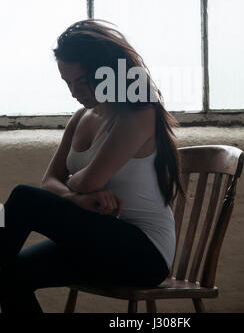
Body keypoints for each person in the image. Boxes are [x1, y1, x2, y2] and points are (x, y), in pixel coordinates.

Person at [0, 19, 187, 313]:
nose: (75, 92)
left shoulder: (139, 114)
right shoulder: (81, 117)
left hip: (143, 253)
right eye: (68, 83)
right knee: (10, 274)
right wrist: (76, 198)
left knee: (24, 198)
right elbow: (49, 181)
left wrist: (75, 186)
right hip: (98, 238)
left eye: (82, 81)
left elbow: (85, 182)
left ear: (107, 72)